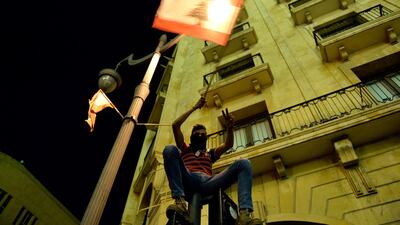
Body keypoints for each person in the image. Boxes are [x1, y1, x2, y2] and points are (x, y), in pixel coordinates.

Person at [163, 97, 262, 225]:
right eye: (197, 133)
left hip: (208, 182)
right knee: (170, 149)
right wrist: (194, 107)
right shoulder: (185, 149)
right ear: (192, 137)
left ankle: (244, 216)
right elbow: (175, 125)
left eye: (203, 134)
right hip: (188, 178)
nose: (200, 135)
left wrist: (230, 128)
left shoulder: (210, 153)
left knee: (244, 163)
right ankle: (180, 203)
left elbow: (228, 144)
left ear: (206, 138)